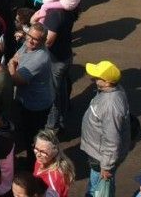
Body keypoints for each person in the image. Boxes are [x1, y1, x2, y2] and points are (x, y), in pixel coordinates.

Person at [79, 60, 131, 197]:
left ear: (107, 83)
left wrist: (107, 166)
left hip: (101, 156)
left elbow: (112, 140)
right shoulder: (112, 90)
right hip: (99, 151)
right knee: (97, 186)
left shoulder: (110, 106)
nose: (94, 79)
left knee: (98, 189)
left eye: (97, 77)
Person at [8, 22, 55, 161]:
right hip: (27, 98)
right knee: (25, 130)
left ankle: (33, 163)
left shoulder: (39, 58)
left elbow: (18, 80)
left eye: (35, 39)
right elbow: (17, 55)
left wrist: (11, 66)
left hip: (36, 105)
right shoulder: (27, 44)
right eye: (29, 36)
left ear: (42, 41)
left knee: (33, 136)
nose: (30, 40)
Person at [32, 129, 74, 197]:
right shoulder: (42, 160)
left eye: (43, 152)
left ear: (54, 152)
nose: (38, 154)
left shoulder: (54, 179)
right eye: (36, 149)